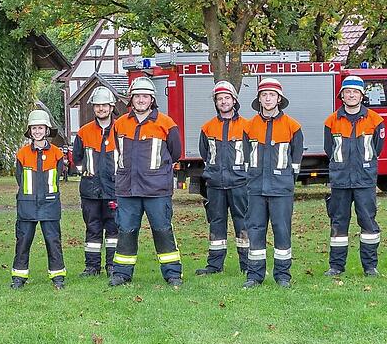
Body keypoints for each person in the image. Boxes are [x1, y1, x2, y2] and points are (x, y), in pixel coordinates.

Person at [109, 77, 183, 287]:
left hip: (157, 190)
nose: (141, 100)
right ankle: (122, 273)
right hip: (127, 189)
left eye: (145, 96)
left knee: (162, 231)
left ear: (152, 99)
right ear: (131, 99)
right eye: (137, 96)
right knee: (126, 231)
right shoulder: (120, 123)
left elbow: (175, 152)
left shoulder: (166, 123)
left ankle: (172, 274)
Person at [242, 78, 303, 288]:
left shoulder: (293, 127)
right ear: (259, 99)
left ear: (279, 99)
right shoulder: (249, 127)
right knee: (256, 229)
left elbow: (295, 163)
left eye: (272, 95)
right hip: (256, 188)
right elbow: (246, 158)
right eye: (264, 95)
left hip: (281, 188)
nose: (268, 98)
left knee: (282, 230)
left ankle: (283, 275)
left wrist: (285, 181)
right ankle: (254, 276)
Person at [323, 75, 384, 277]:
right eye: (347, 92)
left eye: (355, 92)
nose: (351, 95)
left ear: (361, 95)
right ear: (342, 95)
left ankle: (370, 266)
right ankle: (336, 266)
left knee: (368, 222)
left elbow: (377, 148)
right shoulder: (331, 121)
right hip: (340, 180)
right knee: (338, 223)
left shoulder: (376, 120)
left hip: (365, 180)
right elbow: (329, 149)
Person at [195, 81, 249, 275]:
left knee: (243, 223)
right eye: (220, 99)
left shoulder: (247, 127)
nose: (223, 102)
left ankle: (247, 264)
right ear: (216, 103)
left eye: (227, 98)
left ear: (234, 100)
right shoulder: (207, 128)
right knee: (216, 223)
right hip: (215, 184)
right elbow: (205, 153)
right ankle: (214, 265)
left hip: (240, 183)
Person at [10, 110, 66, 290]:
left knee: (53, 241)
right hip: (27, 206)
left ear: (47, 130)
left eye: (40, 128)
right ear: (29, 130)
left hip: (50, 205)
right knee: (23, 241)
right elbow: (19, 178)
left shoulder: (57, 154)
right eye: (34, 128)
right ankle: (19, 277)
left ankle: (58, 277)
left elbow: (57, 178)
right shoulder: (22, 154)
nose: (37, 131)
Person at [72, 86, 119, 277]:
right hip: (90, 191)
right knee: (92, 229)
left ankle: (112, 265)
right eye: (97, 106)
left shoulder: (120, 129)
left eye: (104, 105)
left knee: (114, 230)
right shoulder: (84, 132)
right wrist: (89, 174)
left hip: (115, 189)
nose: (101, 109)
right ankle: (92, 267)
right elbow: (77, 159)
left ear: (111, 107)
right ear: (93, 108)